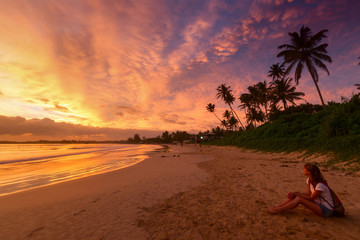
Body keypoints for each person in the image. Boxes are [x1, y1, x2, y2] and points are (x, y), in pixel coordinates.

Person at [268, 163, 334, 217]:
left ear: (309, 172)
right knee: (295, 196)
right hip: (318, 204)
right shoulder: (309, 180)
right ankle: (278, 206)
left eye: (304, 169)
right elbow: (307, 194)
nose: (303, 170)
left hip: (326, 210)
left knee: (299, 199)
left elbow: (311, 198)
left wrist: (297, 194)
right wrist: (295, 193)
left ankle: (280, 210)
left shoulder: (320, 185)